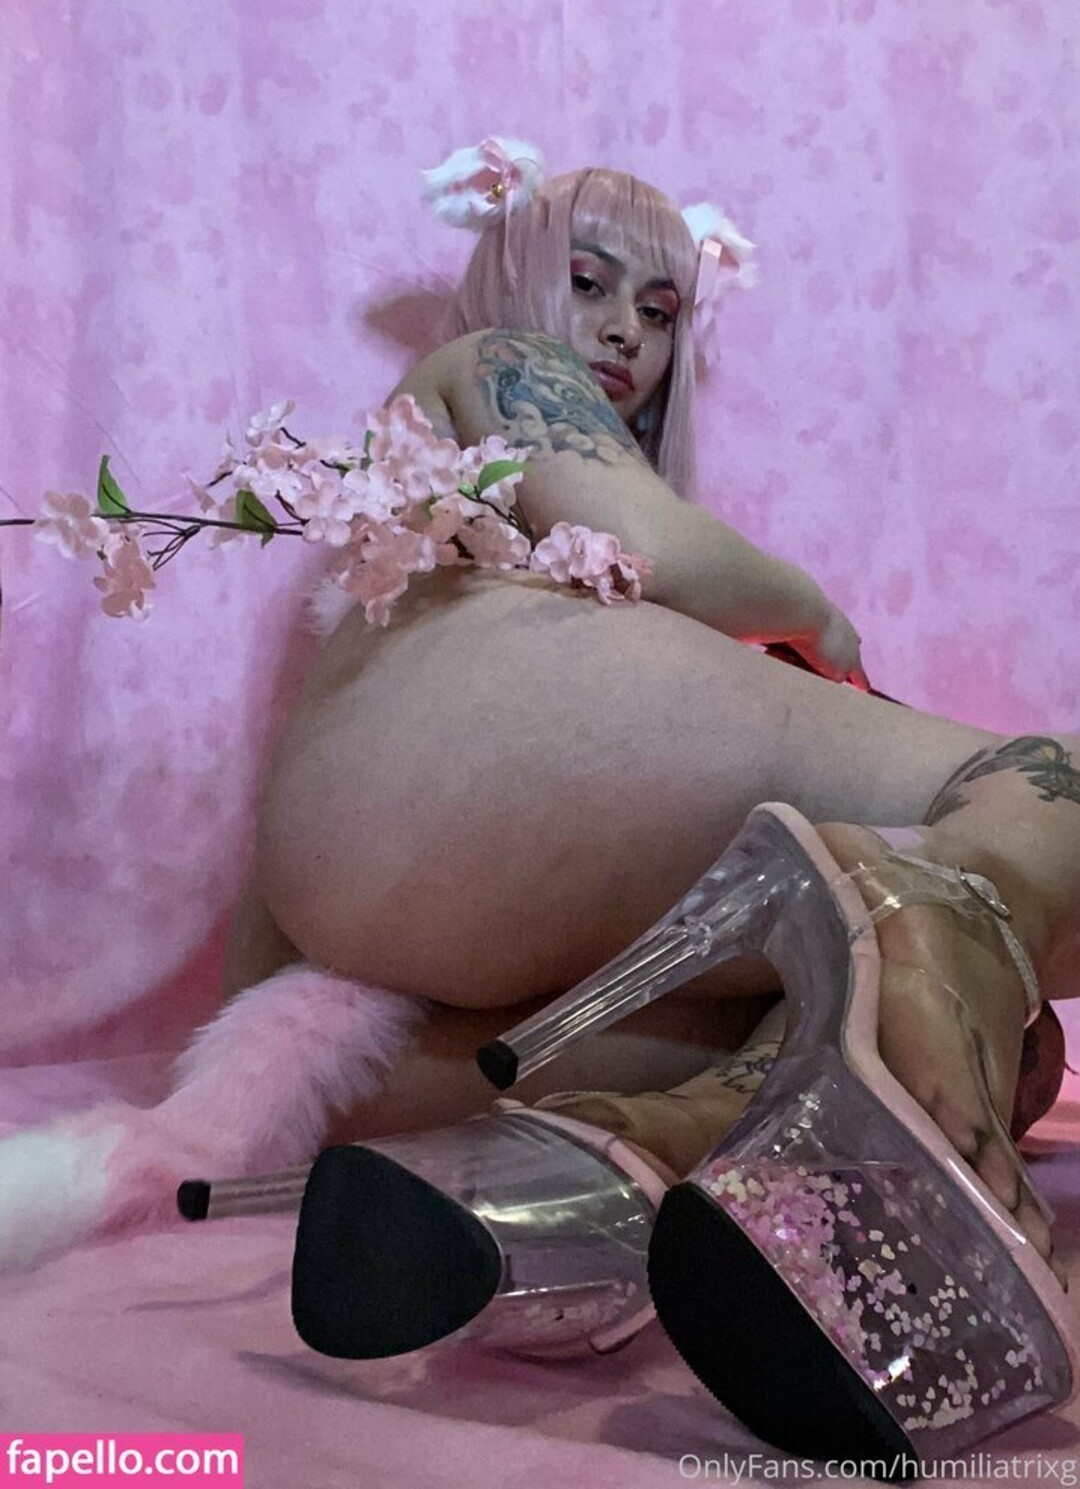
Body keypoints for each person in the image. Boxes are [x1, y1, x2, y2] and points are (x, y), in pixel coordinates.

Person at [4, 147, 1078, 1464]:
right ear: (518, 279)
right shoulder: (498, 363)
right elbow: (661, 545)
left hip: (393, 886)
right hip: (480, 747)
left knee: (918, 1021)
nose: (624, 329)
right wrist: (815, 612)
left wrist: (248, 1065)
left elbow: (287, 920)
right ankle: (907, 1005)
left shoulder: (413, 555)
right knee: (1043, 789)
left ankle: (625, 1160)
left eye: (659, 309)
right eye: (588, 282)